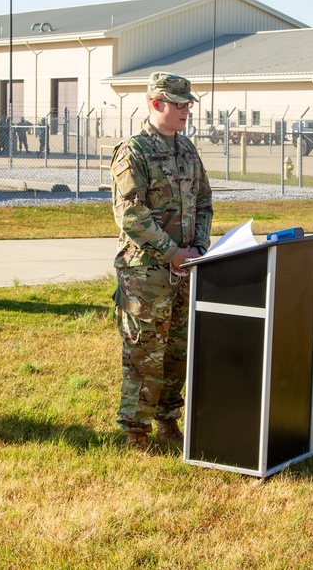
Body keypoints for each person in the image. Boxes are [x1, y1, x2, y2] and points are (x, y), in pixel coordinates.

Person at [110, 72, 213, 451]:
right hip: (147, 273)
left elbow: (204, 201)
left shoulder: (187, 150)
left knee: (177, 351)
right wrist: (172, 253)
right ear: (156, 103)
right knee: (144, 351)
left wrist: (198, 249)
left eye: (188, 103)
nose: (187, 109)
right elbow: (131, 215)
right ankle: (135, 433)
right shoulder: (133, 151)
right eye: (179, 103)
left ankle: (168, 422)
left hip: (186, 269)